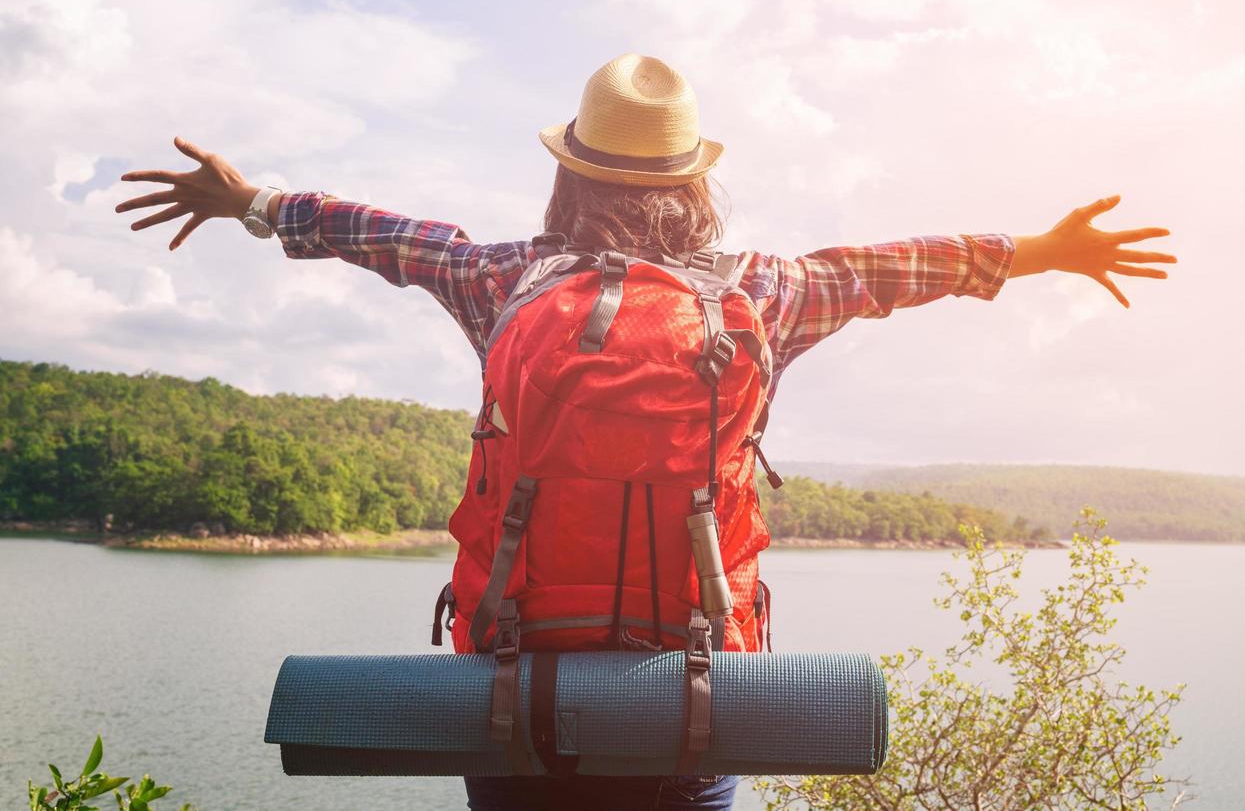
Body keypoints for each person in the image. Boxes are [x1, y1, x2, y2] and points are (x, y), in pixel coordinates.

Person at [115, 53, 1175, 810]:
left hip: (510, 696)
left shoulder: (501, 279)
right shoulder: (763, 289)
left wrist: (251, 201)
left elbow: (384, 235)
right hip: (697, 698)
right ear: (695, 181)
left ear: (569, 169)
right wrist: (1040, 249)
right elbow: (896, 267)